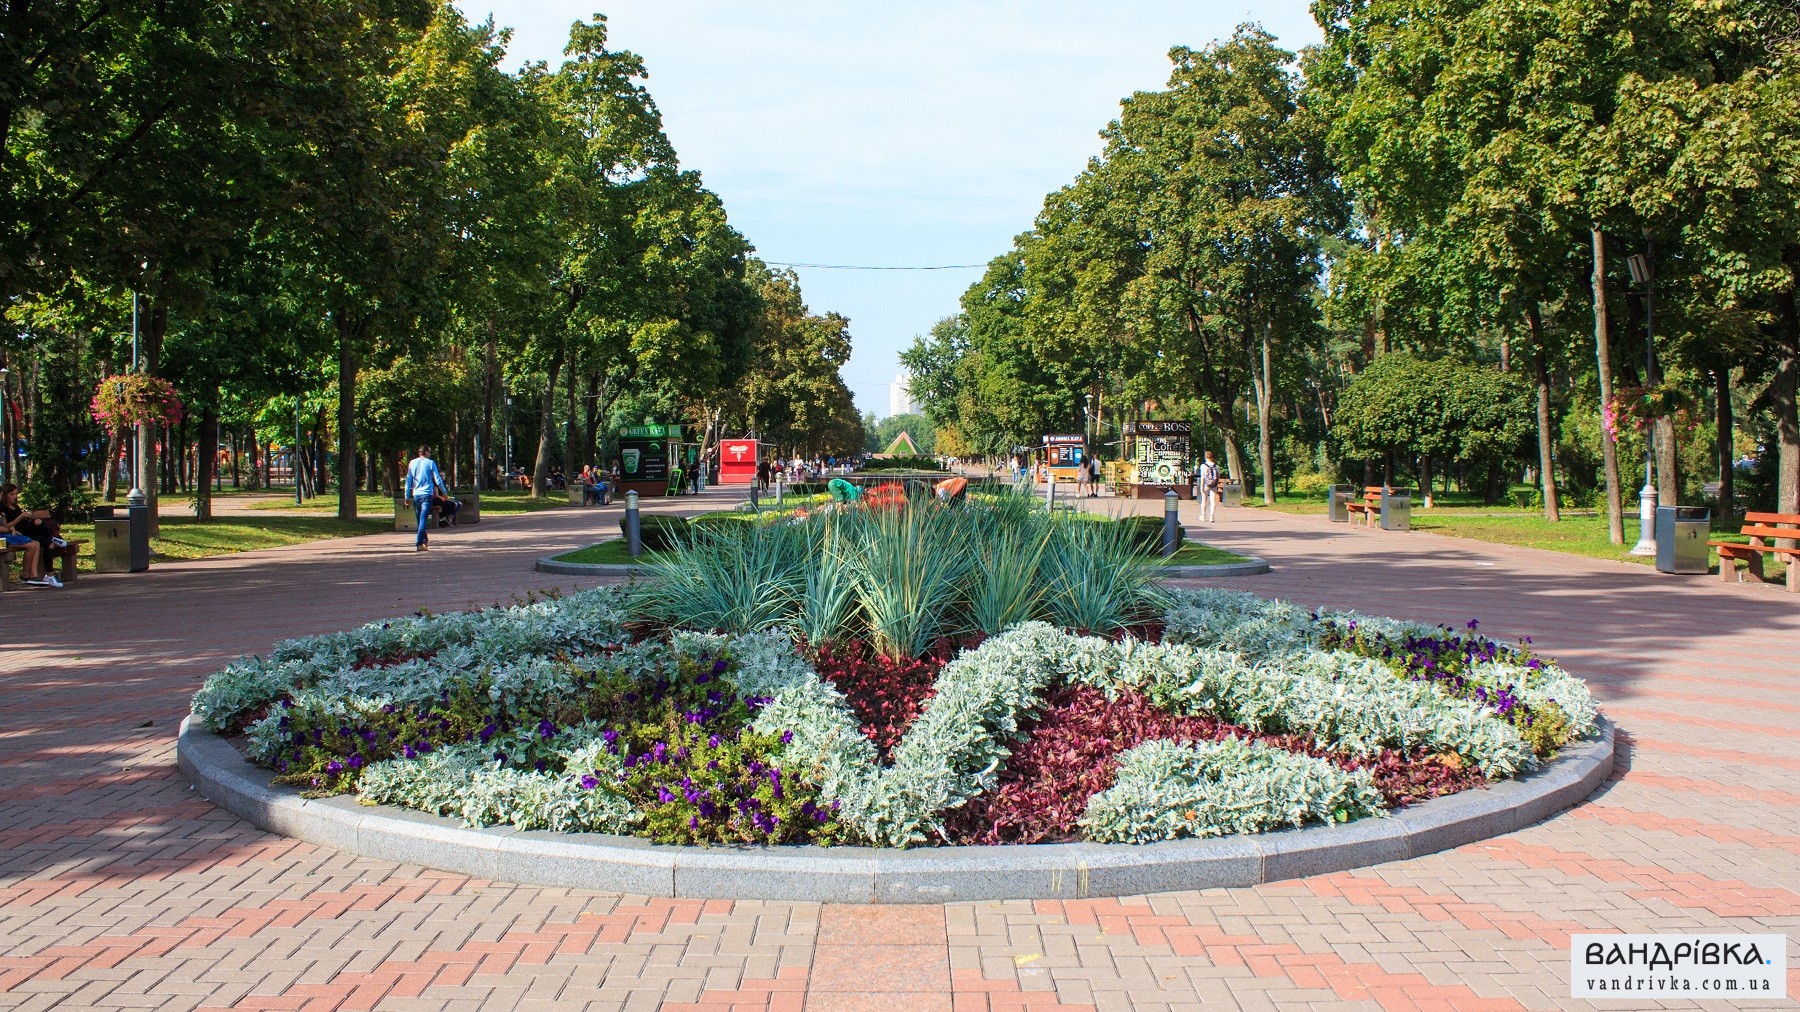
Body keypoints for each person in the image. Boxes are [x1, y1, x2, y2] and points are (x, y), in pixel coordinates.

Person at [0, 486, 57, 587]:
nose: (14, 497)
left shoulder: (10, 508)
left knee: (36, 543)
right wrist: (10, 528)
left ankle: (31, 575)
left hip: (9, 536)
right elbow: (5, 527)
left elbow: (4, 526)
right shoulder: (2, 508)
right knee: (32, 545)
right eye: (11, 494)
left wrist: (10, 528)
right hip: (3, 539)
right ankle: (28, 576)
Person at [404, 446, 447, 551]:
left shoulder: (412, 463)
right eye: (430, 452)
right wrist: (445, 492)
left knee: (419, 519)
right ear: (426, 452)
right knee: (423, 518)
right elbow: (437, 479)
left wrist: (406, 495)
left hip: (416, 494)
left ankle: (424, 540)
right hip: (427, 494)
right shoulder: (430, 463)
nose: (430, 454)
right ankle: (419, 543)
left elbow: (408, 480)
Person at [1196, 450, 1221, 523]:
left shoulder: (1203, 466)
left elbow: (1203, 477)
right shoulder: (1216, 466)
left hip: (1206, 484)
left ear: (1205, 457)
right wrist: (1216, 484)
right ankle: (1212, 517)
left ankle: (1203, 516)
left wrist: (1201, 486)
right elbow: (1218, 476)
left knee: (1204, 500)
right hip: (1214, 484)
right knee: (1213, 500)